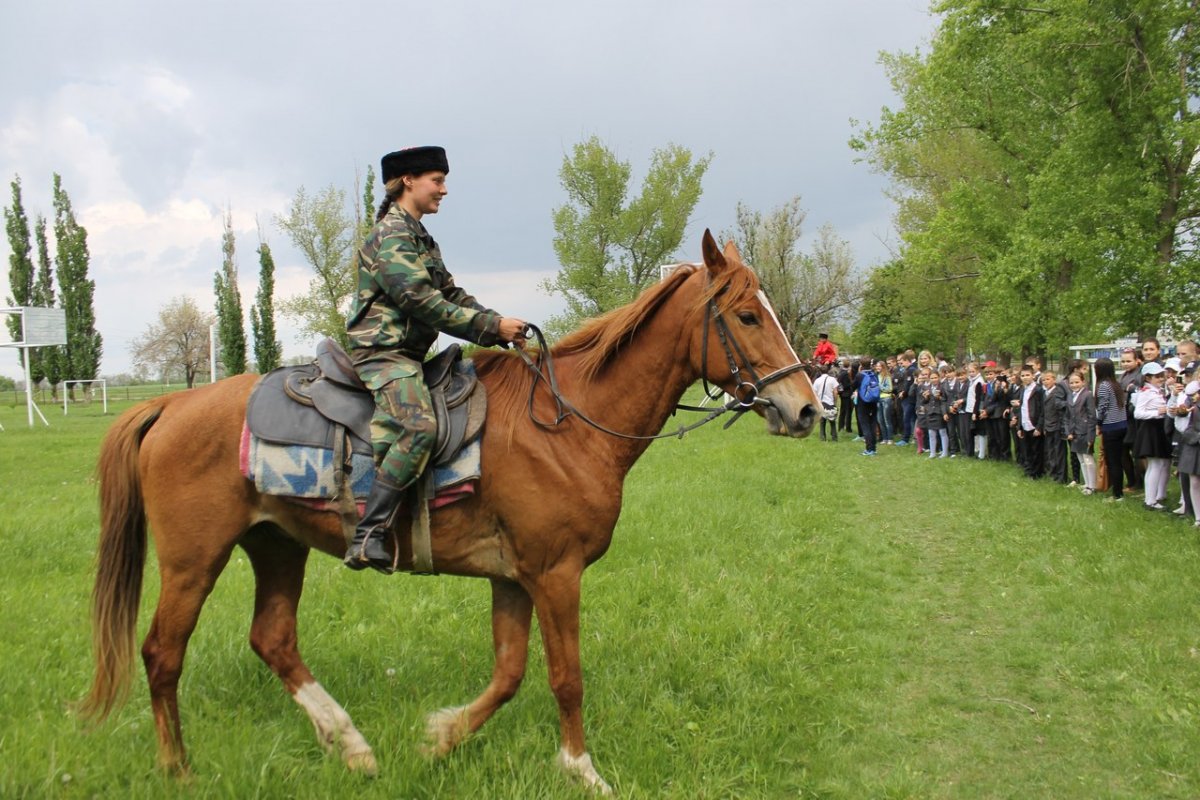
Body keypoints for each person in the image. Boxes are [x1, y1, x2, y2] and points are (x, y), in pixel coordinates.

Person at [344, 146, 529, 572]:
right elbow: (421, 301)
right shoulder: (391, 235)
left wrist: (499, 324)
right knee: (418, 425)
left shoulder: (420, 237)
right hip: (384, 354)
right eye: (437, 180)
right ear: (408, 181)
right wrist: (490, 328)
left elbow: (451, 295)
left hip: (411, 355)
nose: (444, 190)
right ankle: (369, 534)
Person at [1133, 361, 1172, 510]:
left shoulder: (1157, 391)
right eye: (1157, 376)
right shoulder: (1146, 392)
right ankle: (1150, 500)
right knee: (1155, 465)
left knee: (1158, 465)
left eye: (1161, 375)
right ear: (1148, 378)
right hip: (1150, 429)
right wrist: (1157, 412)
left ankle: (1153, 497)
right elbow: (1138, 413)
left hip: (1157, 428)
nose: (1161, 379)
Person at [1094, 357, 1128, 502]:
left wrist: (1098, 423)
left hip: (1111, 426)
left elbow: (1103, 407)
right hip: (1122, 424)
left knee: (1113, 461)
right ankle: (1118, 489)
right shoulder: (1116, 384)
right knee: (1118, 460)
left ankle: (1117, 494)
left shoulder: (1103, 386)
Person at [1065, 372, 1098, 494]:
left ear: (1083, 382)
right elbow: (1067, 416)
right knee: (1081, 460)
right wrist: (1068, 431)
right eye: (1071, 383)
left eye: (1077, 382)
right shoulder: (1070, 395)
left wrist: (1091, 436)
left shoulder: (1087, 395)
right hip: (1074, 432)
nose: (1074, 385)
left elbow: (1092, 416)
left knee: (1088, 459)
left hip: (1085, 431)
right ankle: (1087, 483)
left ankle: (1092, 486)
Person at [812, 364, 840, 442]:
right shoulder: (832, 379)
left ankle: (822, 437)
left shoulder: (817, 380)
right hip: (830, 402)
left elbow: (814, 393)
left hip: (821, 403)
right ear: (828, 371)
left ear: (820, 371)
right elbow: (835, 392)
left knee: (822, 421)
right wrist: (835, 402)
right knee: (832, 421)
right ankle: (834, 437)